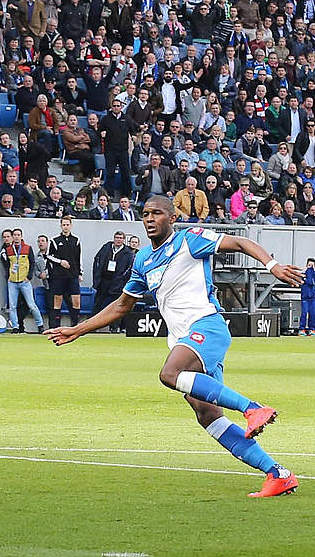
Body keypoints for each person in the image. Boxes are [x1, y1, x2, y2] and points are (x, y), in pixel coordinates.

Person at [45, 195, 301, 498]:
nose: (150, 219)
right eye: (145, 214)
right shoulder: (142, 260)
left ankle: (253, 408)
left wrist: (271, 265)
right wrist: (78, 329)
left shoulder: (189, 240)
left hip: (207, 326)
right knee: (207, 415)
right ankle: (278, 474)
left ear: (172, 218)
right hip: (184, 339)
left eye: (157, 213)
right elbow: (122, 305)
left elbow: (241, 243)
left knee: (170, 373)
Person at [0, 227, 43, 333]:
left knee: (31, 305)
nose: (16, 237)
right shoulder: (8, 249)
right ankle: (15, 327)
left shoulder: (27, 248)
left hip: (24, 281)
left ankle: (40, 325)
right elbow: (7, 264)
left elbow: (32, 262)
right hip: (12, 281)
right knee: (12, 306)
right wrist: (8, 276)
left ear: (21, 236)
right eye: (14, 235)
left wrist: (29, 276)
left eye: (18, 235)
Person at [91, 231, 134, 333]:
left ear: (124, 240)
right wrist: (97, 278)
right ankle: (91, 326)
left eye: (120, 238)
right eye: (117, 237)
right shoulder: (106, 248)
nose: (118, 240)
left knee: (116, 305)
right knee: (98, 304)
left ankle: (114, 327)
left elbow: (129, 267)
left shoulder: (128, 252)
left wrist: (121, 279)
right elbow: (97, 260)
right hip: (104, 281)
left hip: (118, 283)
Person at [46, 216, 81, 329]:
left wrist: (80, 273)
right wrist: (60, 262)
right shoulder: (54, 241)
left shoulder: (76, 240)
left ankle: (75, 325)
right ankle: (57, 326)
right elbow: (49, 256)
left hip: (73, 275)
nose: (66, 227)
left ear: (71, 226)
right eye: (64, 225)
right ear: (61, 226)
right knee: (58, 300)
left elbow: (78, 258)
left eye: (67, 224)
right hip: (59, 275)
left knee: (76, 300)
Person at [300, 258, 315, 337]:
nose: (310, 267)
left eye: (312, 265)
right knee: (304, 313)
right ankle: (302, 329)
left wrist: (310, 272)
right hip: (305, 297)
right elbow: (303, 281)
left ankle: (312, 329)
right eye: (309, 265)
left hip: (312, 298)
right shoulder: (303, 274)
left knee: (313, 314)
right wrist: (306, 273)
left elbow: (312, 282)